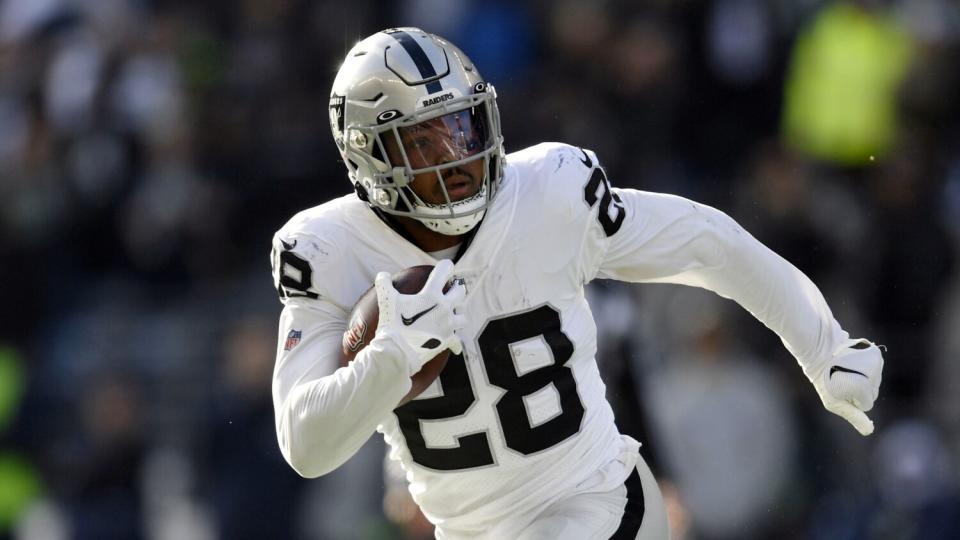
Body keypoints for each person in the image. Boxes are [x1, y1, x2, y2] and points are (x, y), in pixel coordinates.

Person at [269, 28, 884, 540]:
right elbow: (306, 446)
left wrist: (822, 344)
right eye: (423, 142)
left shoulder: (549, 193)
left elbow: (706, 242)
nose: (455, 157)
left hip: (599, 504)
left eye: (461, 127)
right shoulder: (326, 250)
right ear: (370, 157)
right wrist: (391, 357)